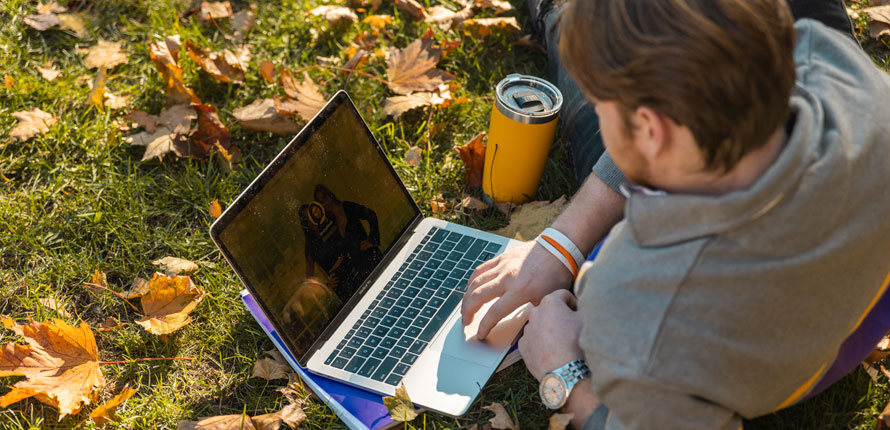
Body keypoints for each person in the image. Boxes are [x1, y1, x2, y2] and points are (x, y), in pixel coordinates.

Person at [461, 0, 890, 428]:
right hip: (853, 304)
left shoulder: (635, 302)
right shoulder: (835, 66)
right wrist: (561, 242)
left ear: (652, 130)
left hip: (776, 372)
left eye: (604, 109)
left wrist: (564, 371)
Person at [299, 184, 383, 299]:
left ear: (331, 195)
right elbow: (310, 276)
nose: (324, 202)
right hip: (355, 273)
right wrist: (326, 285)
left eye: (325, 198)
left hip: (370, 258)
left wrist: (372, 240)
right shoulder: (328, 227)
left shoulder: (346, 208)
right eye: (320, 201)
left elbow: (371, 215)